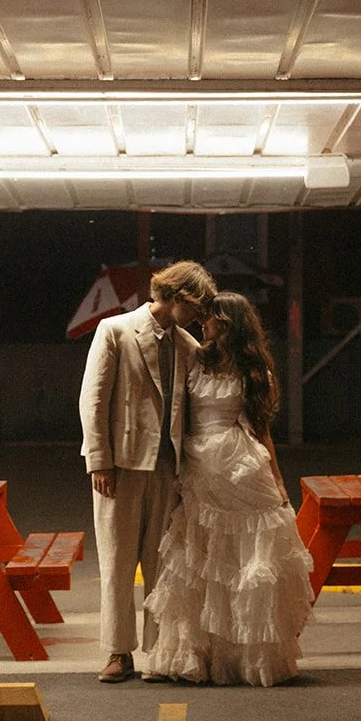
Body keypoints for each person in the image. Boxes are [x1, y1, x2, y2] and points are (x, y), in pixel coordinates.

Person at [142, 291, 314, 686]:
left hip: (238, 465)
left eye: (211, 316)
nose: (203, 321)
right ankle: (196, 655)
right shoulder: (195, 358)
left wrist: (277, 479)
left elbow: (263, 431)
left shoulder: (254, 371)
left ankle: (246, 657)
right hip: (199, 464)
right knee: (199, 562)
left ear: (229, 322)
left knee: (242, 562)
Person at [79, 259, 216, 683]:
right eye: (195, 307)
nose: (198, 316)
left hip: (168, 468)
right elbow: (93, 399)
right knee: (118, 562)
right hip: (119, 466)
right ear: (175, 296)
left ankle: (161, 651)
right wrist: (98, 459)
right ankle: (118, 652)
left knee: (162, 564)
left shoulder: (188, 344)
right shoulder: (115, 331)